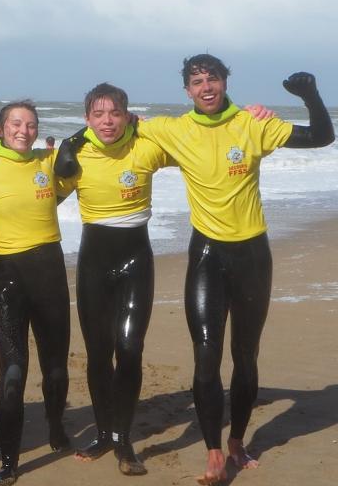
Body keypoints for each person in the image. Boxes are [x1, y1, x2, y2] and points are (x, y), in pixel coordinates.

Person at [135, 54, 335, 484]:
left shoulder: (253, 124)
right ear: (186, 90)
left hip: (252, 256)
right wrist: (63, 151)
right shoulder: (171, 129)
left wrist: (311, 96)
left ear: (225, 82)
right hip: (206, 254)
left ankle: (237, 441)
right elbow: (111, 127)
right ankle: (212, 452)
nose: (205, 87)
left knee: (245, 355)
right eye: (196, 81)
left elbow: (321, 136)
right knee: (206, 355)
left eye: (213, 79)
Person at [54, 83, 173, 476]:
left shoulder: (146, 148)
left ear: (127, 116)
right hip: (93, 264)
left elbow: (199, 148)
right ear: (87, 119)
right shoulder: (76, 156)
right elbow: (33, 195)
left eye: (115, 113)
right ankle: (105, 433)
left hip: (136, 260)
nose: (107, 121)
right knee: (98, 353)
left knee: (130, 348)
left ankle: (123, 438)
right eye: (99, 114)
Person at [0, 101, 72, 486]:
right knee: (12, 373)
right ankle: (9, 462)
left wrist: (133, 126)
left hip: (51, 274)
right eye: (15, 123)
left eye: (31, 124)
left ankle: (56, 425)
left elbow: (95, 152)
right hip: (7, 278)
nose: (24, 130)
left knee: (56, 368)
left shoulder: (48, 162)